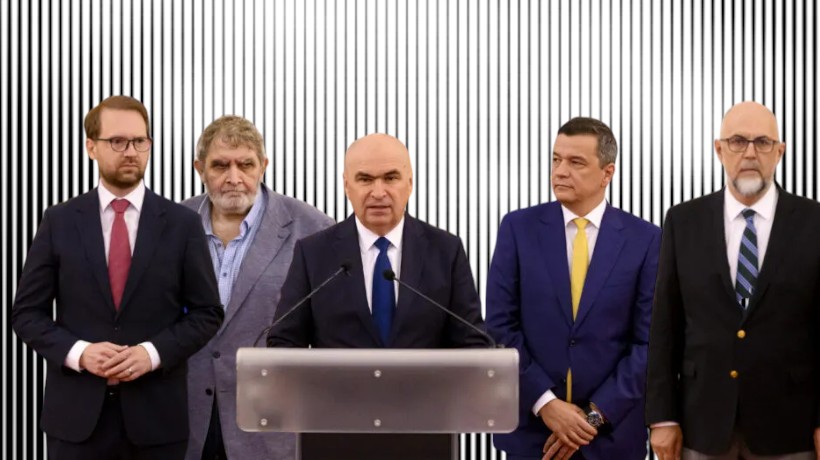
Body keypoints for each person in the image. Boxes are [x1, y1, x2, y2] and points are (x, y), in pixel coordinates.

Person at [11, 95, 223, 459]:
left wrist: (151, 354)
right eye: (118, 142)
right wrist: (80, 353)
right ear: (91, 147)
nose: (131, 152)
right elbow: (27, 314)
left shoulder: (182, 224)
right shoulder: (59, 221)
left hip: (157, 422)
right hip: (76, 422)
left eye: (140, 141)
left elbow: (207, 313)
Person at [646, 101, 820, 460]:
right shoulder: (683, 221)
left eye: (763, 142)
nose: (750, 153)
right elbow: (665, 325)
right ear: (719, 149)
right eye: (738, 141)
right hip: (701, 425)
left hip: (791, 428)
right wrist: (662, 416)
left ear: (780, 152)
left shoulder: (814, 222)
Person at [487, 117, 661, 460]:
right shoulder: (518, 229)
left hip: (611, 439)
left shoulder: (645, 239)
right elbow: (499, 328)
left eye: (575, 162)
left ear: (607, 173)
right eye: (556, 159)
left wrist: (590, 419)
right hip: (532, 438)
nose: (560, 171)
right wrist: (546, 404)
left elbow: (648, 344)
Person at [182, 115, 333, 460]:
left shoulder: (313, 228)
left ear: (263, 166)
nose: (234, 178)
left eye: (246, 165)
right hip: (186, 422)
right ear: (199, 168)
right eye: (220, 165)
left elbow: (331, 331)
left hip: (272, 423)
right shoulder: (174, 224)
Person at [267, 132, 489, 349]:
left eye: (390, 178)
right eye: (365, 179)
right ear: (347, 186)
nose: (378, 192)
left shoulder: (446, 251)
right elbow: (284, 343)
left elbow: (473, 343)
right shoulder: (313, 253)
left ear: (410, 183)